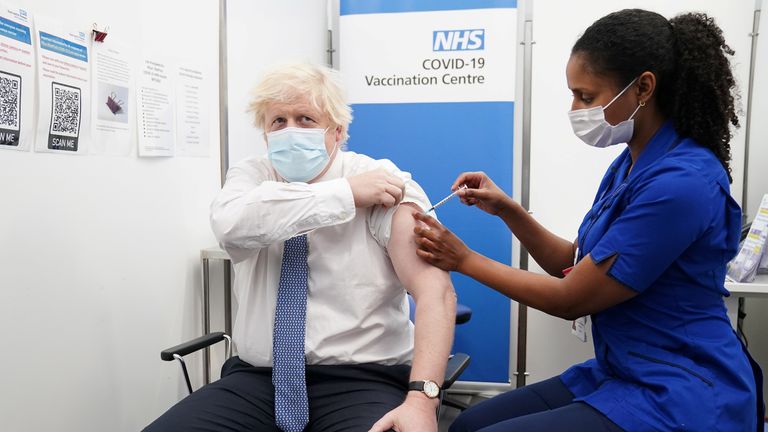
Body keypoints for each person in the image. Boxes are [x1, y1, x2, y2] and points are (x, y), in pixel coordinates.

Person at [412, 9, 764, 432]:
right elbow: (574, 261)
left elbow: (571, 298)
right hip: (623, 369)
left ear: (644, 88)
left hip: (680, 385)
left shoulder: (683, 182)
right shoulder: (631, 165)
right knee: (469, 424)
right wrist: (508, 210)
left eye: (586, 96)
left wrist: (463, 259)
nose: (575, 109)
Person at [145, 63, 456, 432]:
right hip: (257, 380)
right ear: (265, 134)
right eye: (278, 121)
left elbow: (435, 291)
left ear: (337, 131)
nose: (290, 131)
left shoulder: (383, 180)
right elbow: (231, 226)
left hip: (363, 379)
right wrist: (344, 195)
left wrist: (422, 400)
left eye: (305, 119)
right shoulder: (253, 176)